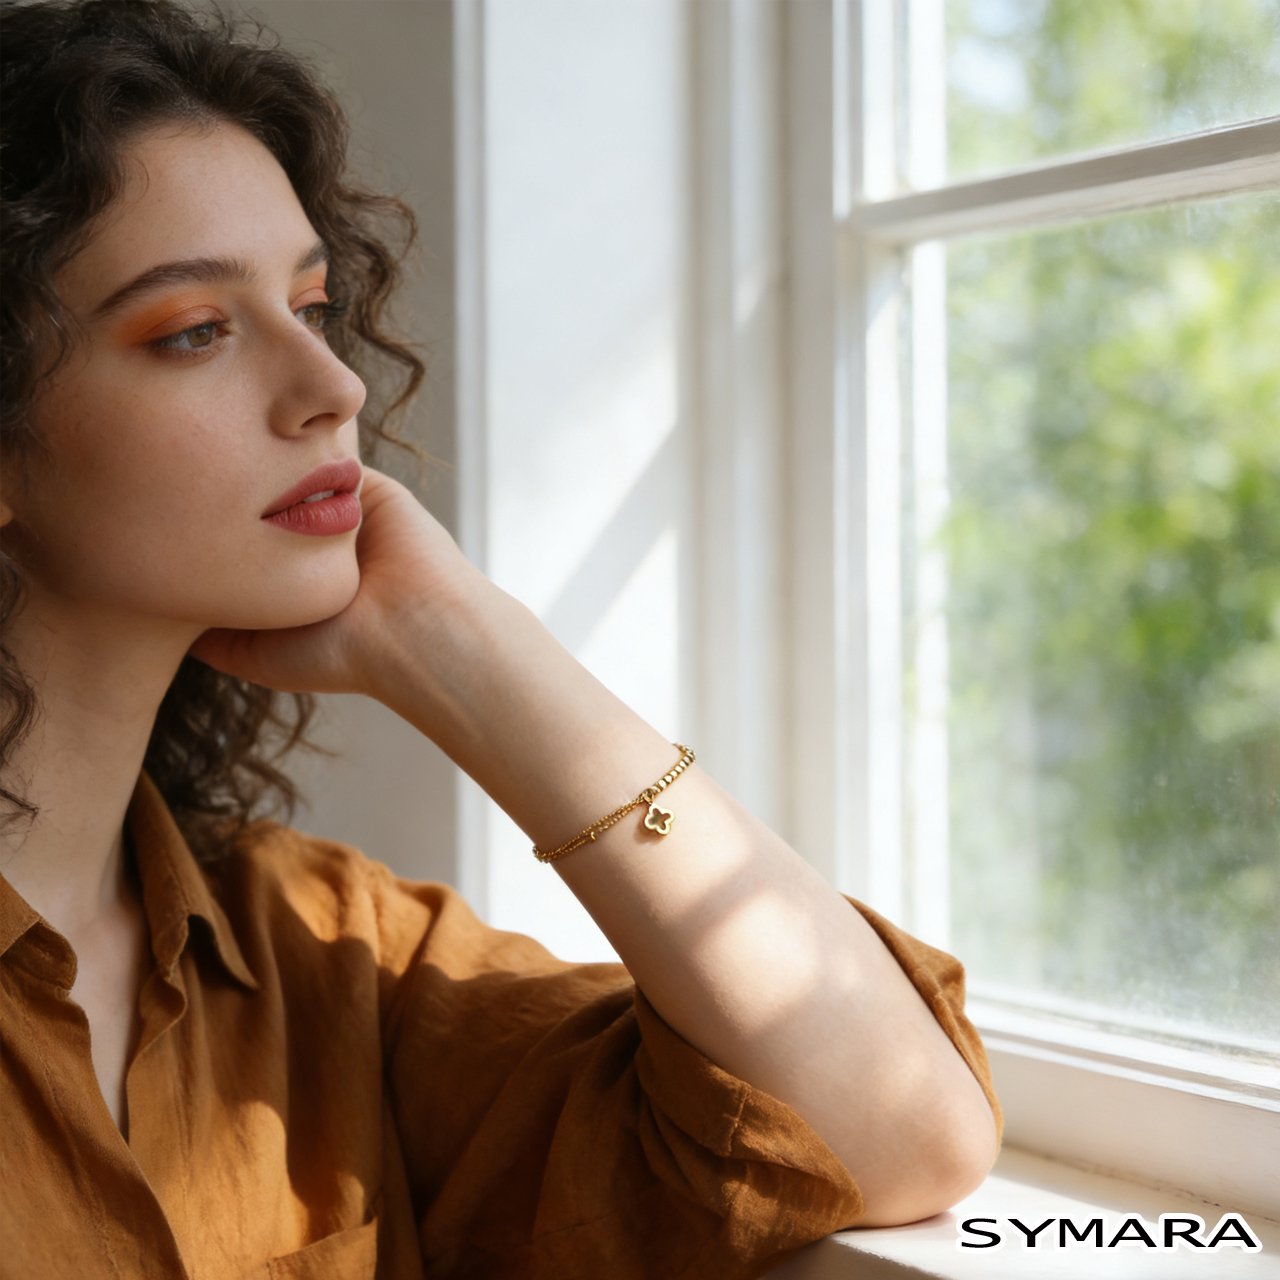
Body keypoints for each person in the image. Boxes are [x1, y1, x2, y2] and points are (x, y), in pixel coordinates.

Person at [0, 1, 1001, 1276]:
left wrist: (470, 648)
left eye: (309, 305)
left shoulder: (324, 953)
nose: (335, 388)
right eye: (195, 329)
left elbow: (896, 1129)